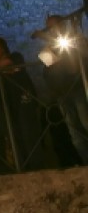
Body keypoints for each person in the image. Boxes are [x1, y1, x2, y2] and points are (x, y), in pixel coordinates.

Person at [0, 36, 47, 171]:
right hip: (4, 104)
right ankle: (22, 168)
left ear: (2, 47)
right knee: (14, 137)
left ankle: (37, 168)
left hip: (22, 100)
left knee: (29, 134)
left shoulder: (16, 56)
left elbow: (7, 62)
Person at [35, 15, 88, 164]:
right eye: (49, 27)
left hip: (77, 89)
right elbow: (49, 70)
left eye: (54, 26)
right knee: (75, 134)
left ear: (62, 25)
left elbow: (74, 64)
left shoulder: (74, 39)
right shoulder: (48, 49)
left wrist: (43, 36)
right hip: (62, 94)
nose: (51, 30)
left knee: (86, 123)